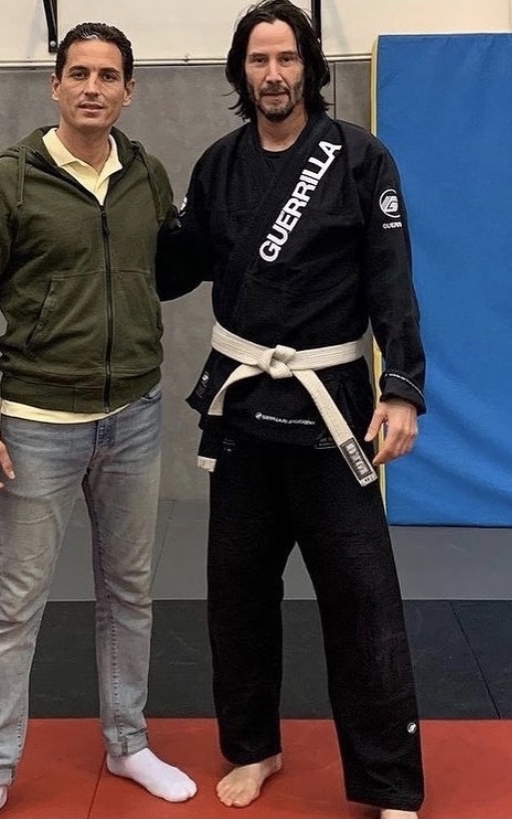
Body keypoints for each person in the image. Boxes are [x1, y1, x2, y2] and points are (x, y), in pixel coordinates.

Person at [156, 1, 425, 817]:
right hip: (243, 409)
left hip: (332, 409)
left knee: (363, 597)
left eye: (285, 58)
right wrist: (124, 208)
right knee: (236, 593)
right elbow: (171, 269)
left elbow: (390, 278)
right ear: (240, 72)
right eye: (258, 60)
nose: (272, 75)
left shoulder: (359, 159)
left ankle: (387, 780)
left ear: (309, 65)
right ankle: (253, 746)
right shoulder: (219, 165)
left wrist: (400, 387)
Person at [0, 22, 197, 819]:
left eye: (108, 75)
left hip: (134, 415)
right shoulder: (9, 182)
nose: (92, 87)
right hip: (36, 423)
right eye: (78, 73)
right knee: (15, 604)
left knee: (130, 591)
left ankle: (127, 741)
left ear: (129, 91)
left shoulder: (146, 174)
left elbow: (164, 273)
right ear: (55, 85)